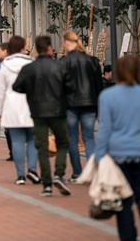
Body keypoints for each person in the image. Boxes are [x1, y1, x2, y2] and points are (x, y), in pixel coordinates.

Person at [96, 55, 140, 241]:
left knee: (123, 201)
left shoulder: (107, 96)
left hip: (119, 154)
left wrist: (99, 157)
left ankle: (128, 237)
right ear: (139, 71)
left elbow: (104, 130)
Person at [13, 36, 73, 197]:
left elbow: (16, 86)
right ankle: (59, 174)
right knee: (63, 142)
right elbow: (70, 87)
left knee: (41, 146)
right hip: (57, 110)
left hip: (37, 111)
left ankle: (46, 184)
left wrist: (31, 93)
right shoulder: (59, 66)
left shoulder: (29, 68)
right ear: (49, 48)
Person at [0, 36, 39, 186]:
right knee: (33, 140)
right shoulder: (32, 63)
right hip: (31, 106)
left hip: (11, 107)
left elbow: (0, 91)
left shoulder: (5, 65)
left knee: (17, 141)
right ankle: (32, 169)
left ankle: (20, 175)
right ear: (23, 47)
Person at [61, 30, 103, 181]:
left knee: (72, 139)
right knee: (89, 138)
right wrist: (98, 107)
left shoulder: (64, 62)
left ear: (67, 42)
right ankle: (91, 172)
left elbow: (61, 87)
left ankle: (77, 172)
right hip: (90, 104)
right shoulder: (92, 61)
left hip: (70, 105)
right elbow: (99, 86)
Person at [0, 43, 13, 161]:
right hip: (18, 101)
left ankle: (13, 152)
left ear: (6, 51)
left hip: (6, 101)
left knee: (8, 129)